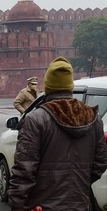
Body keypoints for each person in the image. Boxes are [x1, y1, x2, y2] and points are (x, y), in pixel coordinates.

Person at [8, 56, 107, 211]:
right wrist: (78, 185)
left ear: (48, 86)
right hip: (79, 204)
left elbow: (24, 170)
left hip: (41, 205)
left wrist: (17, 205)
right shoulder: (93, 119)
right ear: (70, 86)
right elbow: (100, 163)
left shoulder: (36, 119)